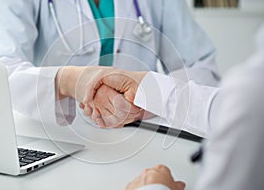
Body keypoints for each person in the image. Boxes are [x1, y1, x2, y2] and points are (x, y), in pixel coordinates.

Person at [0, 0, 220, 133]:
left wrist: (146, 100)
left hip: (140, 133)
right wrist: (68, 80)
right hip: (57, 138)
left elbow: (202, 68)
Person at [84, 25, 264, 189]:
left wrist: (154, 188)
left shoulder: (250, 91)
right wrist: (146, 92)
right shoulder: (248, 90)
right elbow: (225, 107)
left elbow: (239, 102)